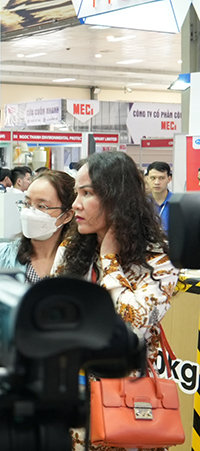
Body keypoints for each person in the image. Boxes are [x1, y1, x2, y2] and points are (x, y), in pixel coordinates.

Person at [50, 151, 179, 451]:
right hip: (73, 401)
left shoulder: (158, 259)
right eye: (76, 193)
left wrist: (109, 262)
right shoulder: (71, 251)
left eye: (87, 193)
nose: (76, 204)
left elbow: (133, 324)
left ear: (117, 198)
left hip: (128, 403)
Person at [145, 161, 172, 231]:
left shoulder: (177, 203)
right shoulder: (142, 204)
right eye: (153, 178)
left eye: (161, 178)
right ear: (147, 179)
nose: (157, 182)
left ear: (169, 179)